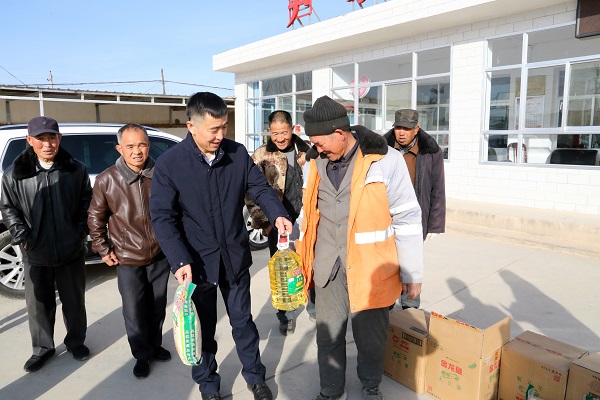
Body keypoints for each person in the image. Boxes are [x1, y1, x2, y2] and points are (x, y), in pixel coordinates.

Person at [150, 92, 292, 400]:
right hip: (197, 263)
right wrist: (179, 260)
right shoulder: (170, 164)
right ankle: (208, 385)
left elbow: (259, 188)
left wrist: (278, 214)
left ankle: (255, 378)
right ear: (191, 126)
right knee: (203, 329)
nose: (220, 135)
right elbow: (162, 218)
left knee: (243, 323)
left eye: (224, 127)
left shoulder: (236, 154)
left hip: (234, 257)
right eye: (213, 129)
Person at [296, 96, 424, 400]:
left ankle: (370, 387)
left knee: (371, 339)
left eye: (320, 142)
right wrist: (297, 253)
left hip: (370, 268)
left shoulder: (385, 160)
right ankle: (330, 390)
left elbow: (407, 218)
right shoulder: (313, 163)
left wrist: (412, 273)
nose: (317, 149)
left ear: (339, 134)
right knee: (328, 335)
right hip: (327, 265)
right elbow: (307, 214)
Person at [0, 116, 92, 372]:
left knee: (74, 301)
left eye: (52, 137)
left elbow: (87, 203)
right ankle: (42, 349)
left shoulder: (76, 169)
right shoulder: (15, 174)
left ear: (59, 139)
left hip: (71, 250)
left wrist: (79, 233)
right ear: (30, 140)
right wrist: (23, 238)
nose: (47, 144)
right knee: (39, 304)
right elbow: (8, 209)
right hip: (36, 252)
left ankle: (76, 342)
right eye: (40, 139)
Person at [87, 123, 171, 379]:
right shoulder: (107, 179)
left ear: (149, 145)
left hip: (159, 254)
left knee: (157, 306)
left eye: (142, 145)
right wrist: (103, 248)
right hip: (127, 257)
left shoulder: (161, 173)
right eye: (130, 146)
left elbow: (176, 210)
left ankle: (155, 345)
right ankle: (141, 354)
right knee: (134, 310)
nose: (137, 151)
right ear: (119, 149)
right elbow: (95, 217)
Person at [245, 110, 315, 335]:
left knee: (311, 264)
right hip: (278, 224)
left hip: (307, 220)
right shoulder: (261, 155)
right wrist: (265, 223)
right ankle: (286, 315)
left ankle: (315, 308)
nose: (280, 138)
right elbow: (250, 193)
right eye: (275, 133)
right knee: (283, 272)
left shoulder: (308, 151)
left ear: (292, 129)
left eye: (284, 133)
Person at [383, 109, 446, 309]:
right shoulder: (382, 149)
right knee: (387, 265)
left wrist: (434, 225)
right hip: (386, 217)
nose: (401, 133)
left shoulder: (431, 152)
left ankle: (409, 310)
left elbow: (437, 188)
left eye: (407, 128)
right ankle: (386, 306)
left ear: (416, 129)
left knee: (410, 265)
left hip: (414, 219)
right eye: (398, 128)